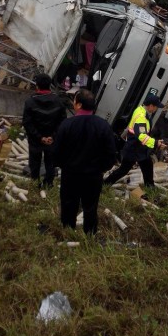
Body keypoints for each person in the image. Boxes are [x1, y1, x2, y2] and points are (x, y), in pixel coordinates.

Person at [54, 88, 116, 234]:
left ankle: (68, 230)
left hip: (71, 174)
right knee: (90, 206)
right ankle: (90, 233)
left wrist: (64, 166)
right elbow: (111, 154)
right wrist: (101, 168)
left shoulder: (67, 125)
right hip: (93, 176)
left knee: (69, 204)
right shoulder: (103, 126)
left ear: (79, 105)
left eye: (74, 100)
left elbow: (57, 152)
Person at [104, 95, 165, 188]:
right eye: (156, 106)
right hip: (134, 148)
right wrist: (156, 143)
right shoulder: (141, 117)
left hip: (139, 148)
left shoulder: (140, 110)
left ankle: (150, 188)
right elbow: (141, 135)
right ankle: (104, 184)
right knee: (123, 170)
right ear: (151, 106)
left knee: (147, 166)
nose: (157, 109)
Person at [23, 73, 66, 188]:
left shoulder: (30, 102)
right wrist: (53, 136)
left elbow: (27, 123)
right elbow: (62, 122)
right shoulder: (58, 101)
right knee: (50, 162)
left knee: (35, 162)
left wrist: (39, 137)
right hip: (52, 140)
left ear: (37, 86)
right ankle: (49, 183)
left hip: (35, 140)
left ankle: (35, 183)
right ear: (50, 85)